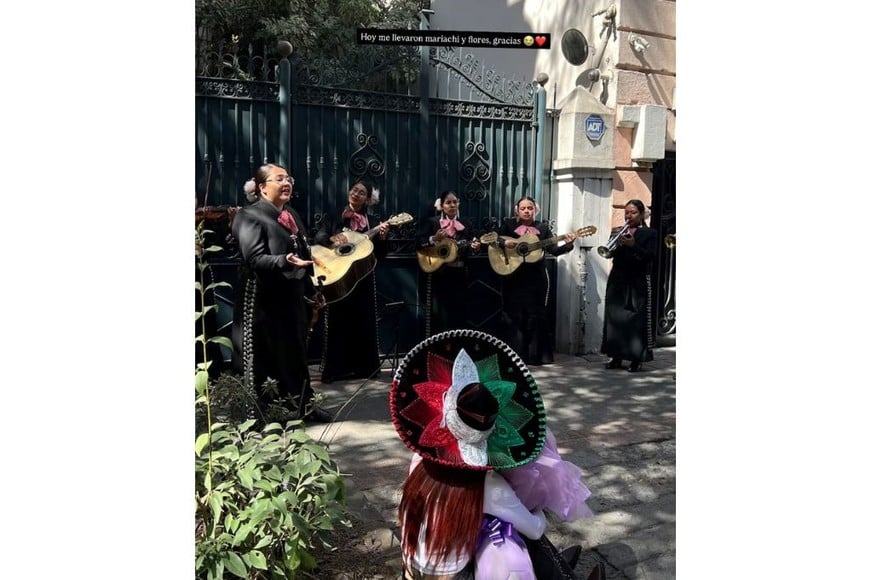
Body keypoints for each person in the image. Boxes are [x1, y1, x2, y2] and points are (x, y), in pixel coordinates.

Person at [391, 330, 595, 579]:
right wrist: (536, 512)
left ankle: (559, 568)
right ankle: (561, 574)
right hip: (455, 575)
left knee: (496, 525)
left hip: (411, 569)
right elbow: (534, 529)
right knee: (511, 533)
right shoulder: (490, 487)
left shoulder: (420, 463)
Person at [230, 163, 332, 422]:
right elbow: (253, 259)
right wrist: (283, 261)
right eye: (279, 179)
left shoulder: (292, 214)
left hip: (293, 297)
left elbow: (304, 253)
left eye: (289, 178)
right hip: (263, 301)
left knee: (296, 353)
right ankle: (261, 416)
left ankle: (303, 407)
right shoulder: (249, 216)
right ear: (262, 187)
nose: (287, 183)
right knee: (263, 357)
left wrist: (312, 292)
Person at [313, 178, 390, 383]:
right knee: (338, 322)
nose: (356, 194)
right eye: (354, 190)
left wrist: (382, 238)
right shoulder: (335, 216)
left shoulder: (373, 222)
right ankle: (335, 371)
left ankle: (365, 369)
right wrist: (331, 238)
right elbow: (319, 238)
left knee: (364, 322)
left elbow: (380, 255)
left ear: (367, 199)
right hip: (338, 276)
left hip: (363, 278)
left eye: (361, 192)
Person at [496, 197, 576, 366]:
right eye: (523, 208)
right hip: (513, 277)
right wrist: (506, 241)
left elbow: (553, 250)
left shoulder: (542, 228)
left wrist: (568, 245)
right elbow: (494, 239)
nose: (526, 211)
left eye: (530, 208)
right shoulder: (509, 226)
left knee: (536, 316)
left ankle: (536, 356)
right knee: (514, 316)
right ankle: (515, 356)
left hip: (536, 279)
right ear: (517, 210)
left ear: (535, 210)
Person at [601, 199, 658, 373]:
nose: (628, 216)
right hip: (618, 278)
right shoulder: (619, 231)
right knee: (614, 317)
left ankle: (636, 359)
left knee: (635, 319)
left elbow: (650, 256)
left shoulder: (650, 234)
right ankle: (616, 356)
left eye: (633, 212)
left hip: (637, 280)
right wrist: (614, 241)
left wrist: (634, 245)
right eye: (626, 212)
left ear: (641, 214)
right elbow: (609, 254)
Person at [417, 190, 481, 336]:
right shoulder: (432, 222)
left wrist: (475, 247)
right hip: (439, 276)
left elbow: (471, 249)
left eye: (454, 202)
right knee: (439, 317)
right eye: (448, 202)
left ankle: (457, 351)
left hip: (460, 275)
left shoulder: (466, 223)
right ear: (442, 206)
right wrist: (434, 238)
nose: (452, 205)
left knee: (459, 316)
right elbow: (419, 243)